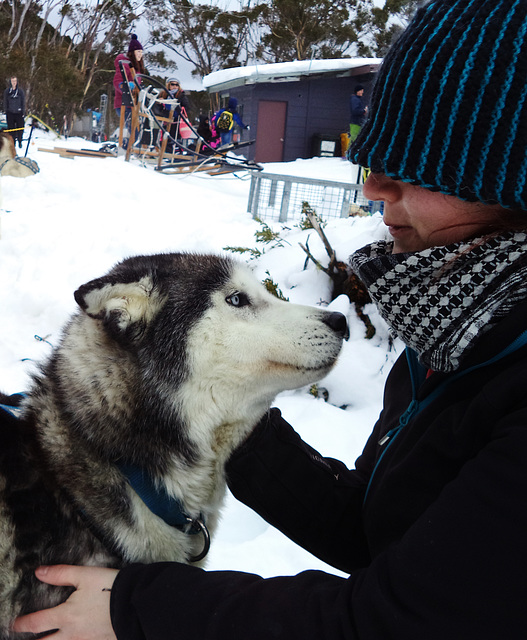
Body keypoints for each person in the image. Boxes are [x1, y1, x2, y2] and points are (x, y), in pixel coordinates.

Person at [13, 1, 527, 638]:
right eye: (377, 160)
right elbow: (379, 531)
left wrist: (141, 609)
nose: (373, 189)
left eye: (414, 169)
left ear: (510, 186)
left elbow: (403, 621)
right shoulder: (459, 322)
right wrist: (218, 416)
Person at [113, 34, 145, 148]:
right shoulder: (125, 64)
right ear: (132, 52)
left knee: (142, 123)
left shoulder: (137, 69)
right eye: (138, 52)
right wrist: (125, 86)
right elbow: (117, 81)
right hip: (124, 103)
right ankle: (133, 147)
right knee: (133, 124)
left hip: (135, 103)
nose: (140, 55)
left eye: (141, 52)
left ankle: (140, 146)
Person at [3, 76, 25, 149]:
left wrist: (23, 112)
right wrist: (6, 111)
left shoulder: (20, 91)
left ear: (17, 82)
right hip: (10, 113)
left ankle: (20, 141)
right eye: (12, 81)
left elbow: (23, 102)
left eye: (15, 81)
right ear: (10, 82)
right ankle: (13, 143)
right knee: (11, 129)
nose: (14, 83)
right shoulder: (7, 91)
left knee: (20, 128)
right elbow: (5, 102)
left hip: (19, 113)